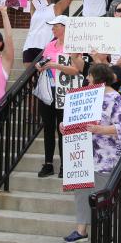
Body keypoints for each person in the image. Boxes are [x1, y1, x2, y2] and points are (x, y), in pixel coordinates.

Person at [62, 63, 121, 243]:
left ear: (98, 77)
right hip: (82, 154)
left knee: (102, 194)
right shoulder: (85, 95)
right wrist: (64, 126)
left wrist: (100, 129)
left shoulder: (115, 98)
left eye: (90, 75)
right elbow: (74, 120)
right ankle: (81, 230)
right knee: (81, 192)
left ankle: (104, 230)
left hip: (106, 156)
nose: (87, 78)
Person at [35, 16, 86, 178]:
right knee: (48, 128)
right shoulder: (50, 45)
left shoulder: (75, 46)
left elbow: (77, 70)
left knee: (64, 128)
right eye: (53, 26)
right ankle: (48, 163)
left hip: (66, 92)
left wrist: (55, 65)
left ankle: (66, 165)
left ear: (65, 28)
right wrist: (40, 65)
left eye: (56, 26)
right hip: (48, 91)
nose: (53, 29)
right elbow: (44, 61)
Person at [21, 0, 75, 64]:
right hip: (29, 46)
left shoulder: (56, 7)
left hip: (45, 47)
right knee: (29, 78)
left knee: (43, 76)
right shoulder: (34, 7)